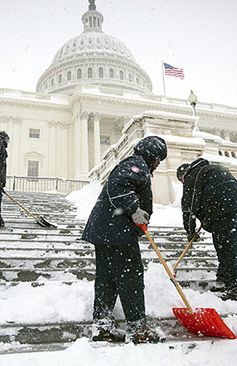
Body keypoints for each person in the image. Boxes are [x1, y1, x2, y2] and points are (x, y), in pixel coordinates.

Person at [82, 135, 168, 344]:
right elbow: (119, 187)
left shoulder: (133, 165)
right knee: (131, 278)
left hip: (106, 230)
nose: (158, 164)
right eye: (158, 159)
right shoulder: (136, 165)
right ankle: (138, 329)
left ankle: (102, 327)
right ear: (152, 155)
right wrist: (134, 210)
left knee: (108, 279)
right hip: (116, 231)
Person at [176, 158, 237, 301]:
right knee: (228, 246)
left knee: (226, 247)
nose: (183, 184)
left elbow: (188, 207)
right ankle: (223, 279)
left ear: (182, 177)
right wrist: (207, 219)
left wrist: (190, 231)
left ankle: (233, 288)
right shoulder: (208, 171)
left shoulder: (191, 176)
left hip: (224, 208)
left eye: (181, 182)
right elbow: (210, 196)